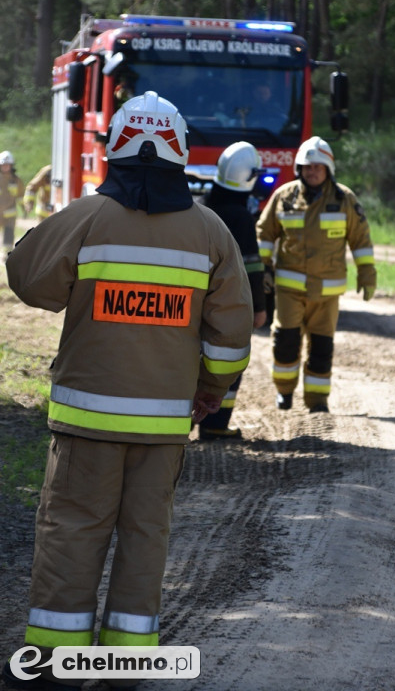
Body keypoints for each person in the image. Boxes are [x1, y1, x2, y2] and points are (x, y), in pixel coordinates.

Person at [3, 91, 253, 689]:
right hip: (164, 425)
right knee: (145, 538)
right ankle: (125, 664)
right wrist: (211, 390)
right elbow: (233, 334)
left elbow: (26, 276)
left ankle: (50, 668)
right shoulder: (211, 232)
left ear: (114, 149)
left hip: (86, 422)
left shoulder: (88, 217)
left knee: (72, 530)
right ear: (179, 153)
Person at [256, 135, 376, 414]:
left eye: (318, 167)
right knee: (285, 343)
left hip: (326, 294)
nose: (312, 172)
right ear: (300, 169)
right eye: (307, 167)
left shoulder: (345, 200)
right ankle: (284, 393)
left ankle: (317, 401)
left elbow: (361, 240)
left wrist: (367, 274)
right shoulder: (284, 197)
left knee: (322, 348)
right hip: (288, 291)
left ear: (328, 170)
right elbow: (263, 234)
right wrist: (262, 269)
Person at [195, 141, 267, 440]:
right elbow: (250, 266)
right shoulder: (240, 217)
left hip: (196, 300)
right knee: (226, 359)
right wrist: (260, 308)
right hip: (230, 304)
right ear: (249, 177)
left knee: (192, 360)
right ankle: (214, 425)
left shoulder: (203, 206)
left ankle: (181, 423)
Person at [0, 150, 24, 253]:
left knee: (9, 236)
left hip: (10, 214)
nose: (5, 167)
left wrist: (24, 208)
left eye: (7, 165)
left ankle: (6, 254)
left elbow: (20, 196)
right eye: (3, 165)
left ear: (11, 166)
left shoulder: (16, 180)